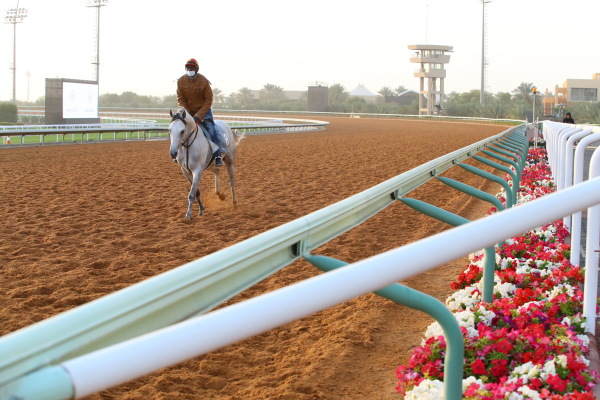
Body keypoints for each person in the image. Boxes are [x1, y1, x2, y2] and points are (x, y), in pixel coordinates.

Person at [176, 58, 224, 166]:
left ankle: (217, 155)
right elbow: (180, 98)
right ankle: (176, 153)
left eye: (192, 68)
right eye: (188, 68)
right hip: (188, 112)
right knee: (178, 129)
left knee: (211, 130)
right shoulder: (180, 81)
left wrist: (198, 116)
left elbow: (208, 100)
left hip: (204, 112)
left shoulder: (204, 81)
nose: (190, 69)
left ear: (196, 69)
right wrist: (187, 113)